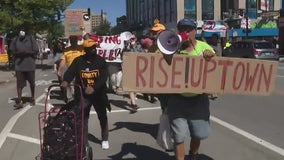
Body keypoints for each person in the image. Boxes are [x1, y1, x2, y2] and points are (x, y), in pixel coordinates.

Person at [167, 18, 215, 160]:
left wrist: (210, 56)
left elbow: (217, 69)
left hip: (198, 99)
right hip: (177, 99)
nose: (185, 32)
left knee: (199, 134)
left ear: (195, 31)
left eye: (189, 29)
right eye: (182, 29)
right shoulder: (172, 47)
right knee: (178, 136)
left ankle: (193, 154)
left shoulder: (203, 47)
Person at [60, 38, 111, 150]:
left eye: (94, 47)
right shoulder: (79, 61)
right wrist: (66, 80)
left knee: (102, 116)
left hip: (98, 95)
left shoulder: (100, 61)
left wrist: (94, 87)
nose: (93, 50)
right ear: (85, 50)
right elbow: (70, 71)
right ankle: (84, 142)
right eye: (90, 48)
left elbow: (104, 77)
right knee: (83, 118)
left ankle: (105, 139)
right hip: (83, 95)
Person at [9, 29, 39, 109]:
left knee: (32, 83)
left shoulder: (31, 39)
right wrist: (17, 53)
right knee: (19, 84)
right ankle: (19, 101)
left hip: (30, 65)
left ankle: (32, 98)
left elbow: (36, 51)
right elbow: (12, 51)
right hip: (19, 66)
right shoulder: (15, 40)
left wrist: (28, 52)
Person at [57, 35, 84, 102]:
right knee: (70, 88)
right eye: (71, 40)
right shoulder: (66, 50)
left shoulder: (81, 48)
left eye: (74, 39)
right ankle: (71, 102)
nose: (73, 41)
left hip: (80, 72)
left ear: (77, 40)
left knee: (79, 88)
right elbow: (63, 60)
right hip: (70, 72)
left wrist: (83, 31)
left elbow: (88, 40)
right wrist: (59, 70)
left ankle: (79, 102)